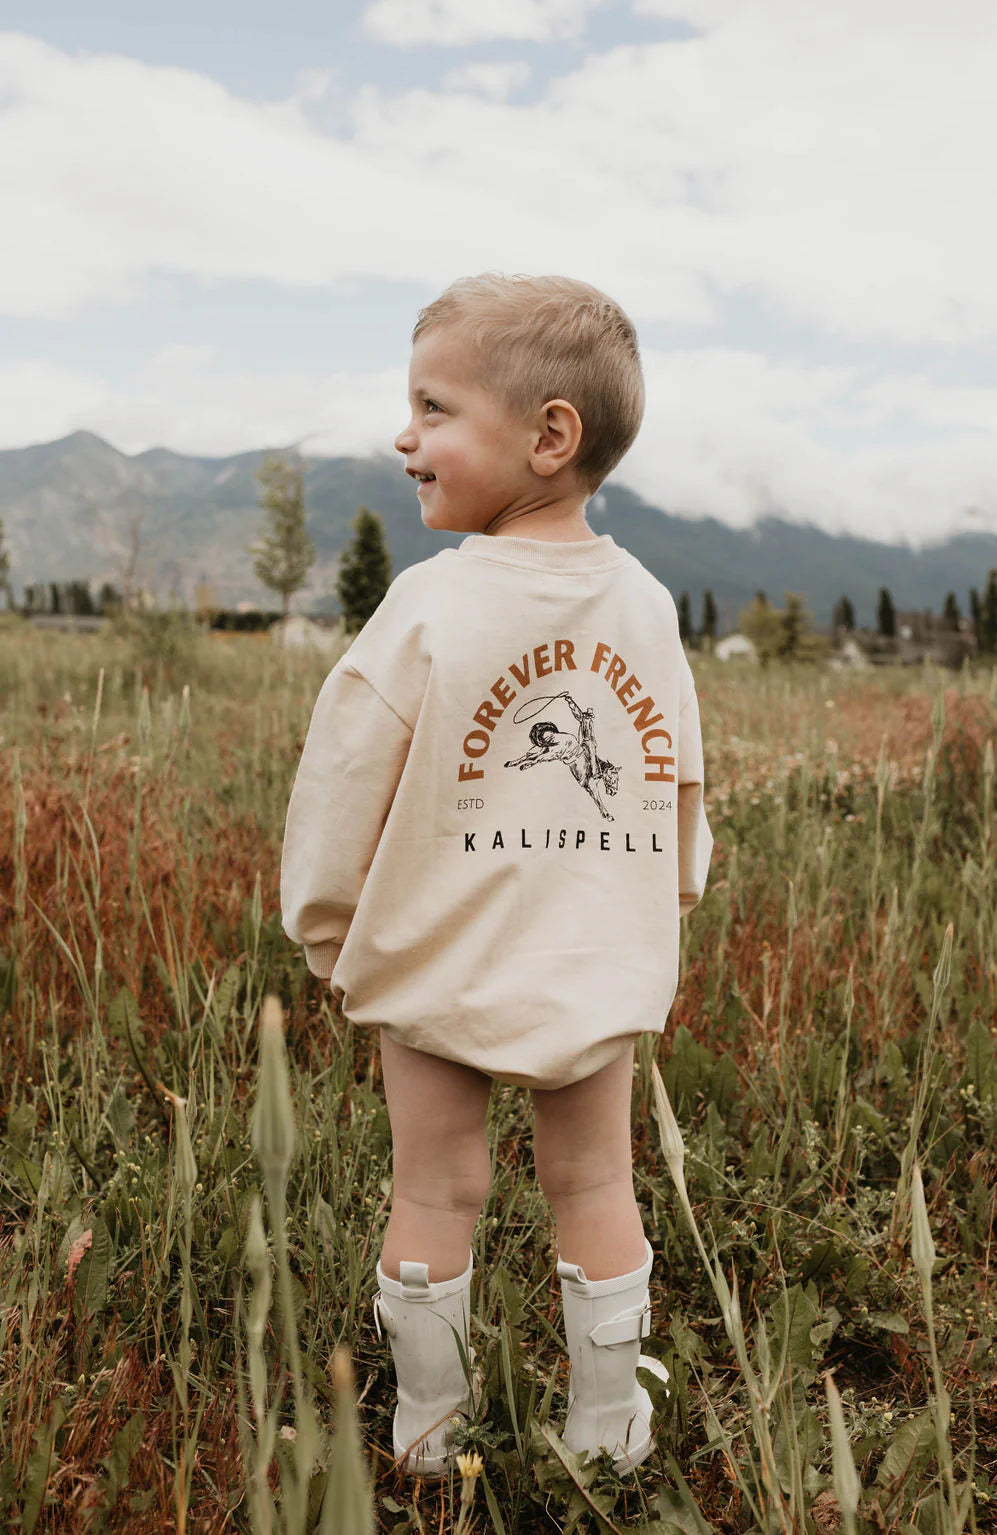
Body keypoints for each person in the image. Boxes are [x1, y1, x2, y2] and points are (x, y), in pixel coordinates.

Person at [279, 272, 714, 1481]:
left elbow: (340, 781)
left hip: (435, 957)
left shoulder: (427, 605)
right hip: (592, 964)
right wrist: (658, 905)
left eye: (432, 406)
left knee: (434, 1188)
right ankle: (607, 1428)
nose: (403, 435)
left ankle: (428, 1430)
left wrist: (329, 933)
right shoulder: (646, 603)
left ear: (548, 434)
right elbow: (674, 775)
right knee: (596, 1179)